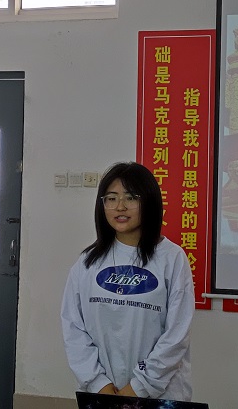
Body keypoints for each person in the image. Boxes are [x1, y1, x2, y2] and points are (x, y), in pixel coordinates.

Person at [61, 162, 194, 401]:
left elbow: (176, 334)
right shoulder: (88, 262)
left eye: (131, 197)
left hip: (160, 394)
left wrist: (139, 387)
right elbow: (73, 328)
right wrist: (99, 384)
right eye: (111, 198)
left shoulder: (172, 258)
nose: (120, 206)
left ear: (149, 202)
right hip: (102, 393)